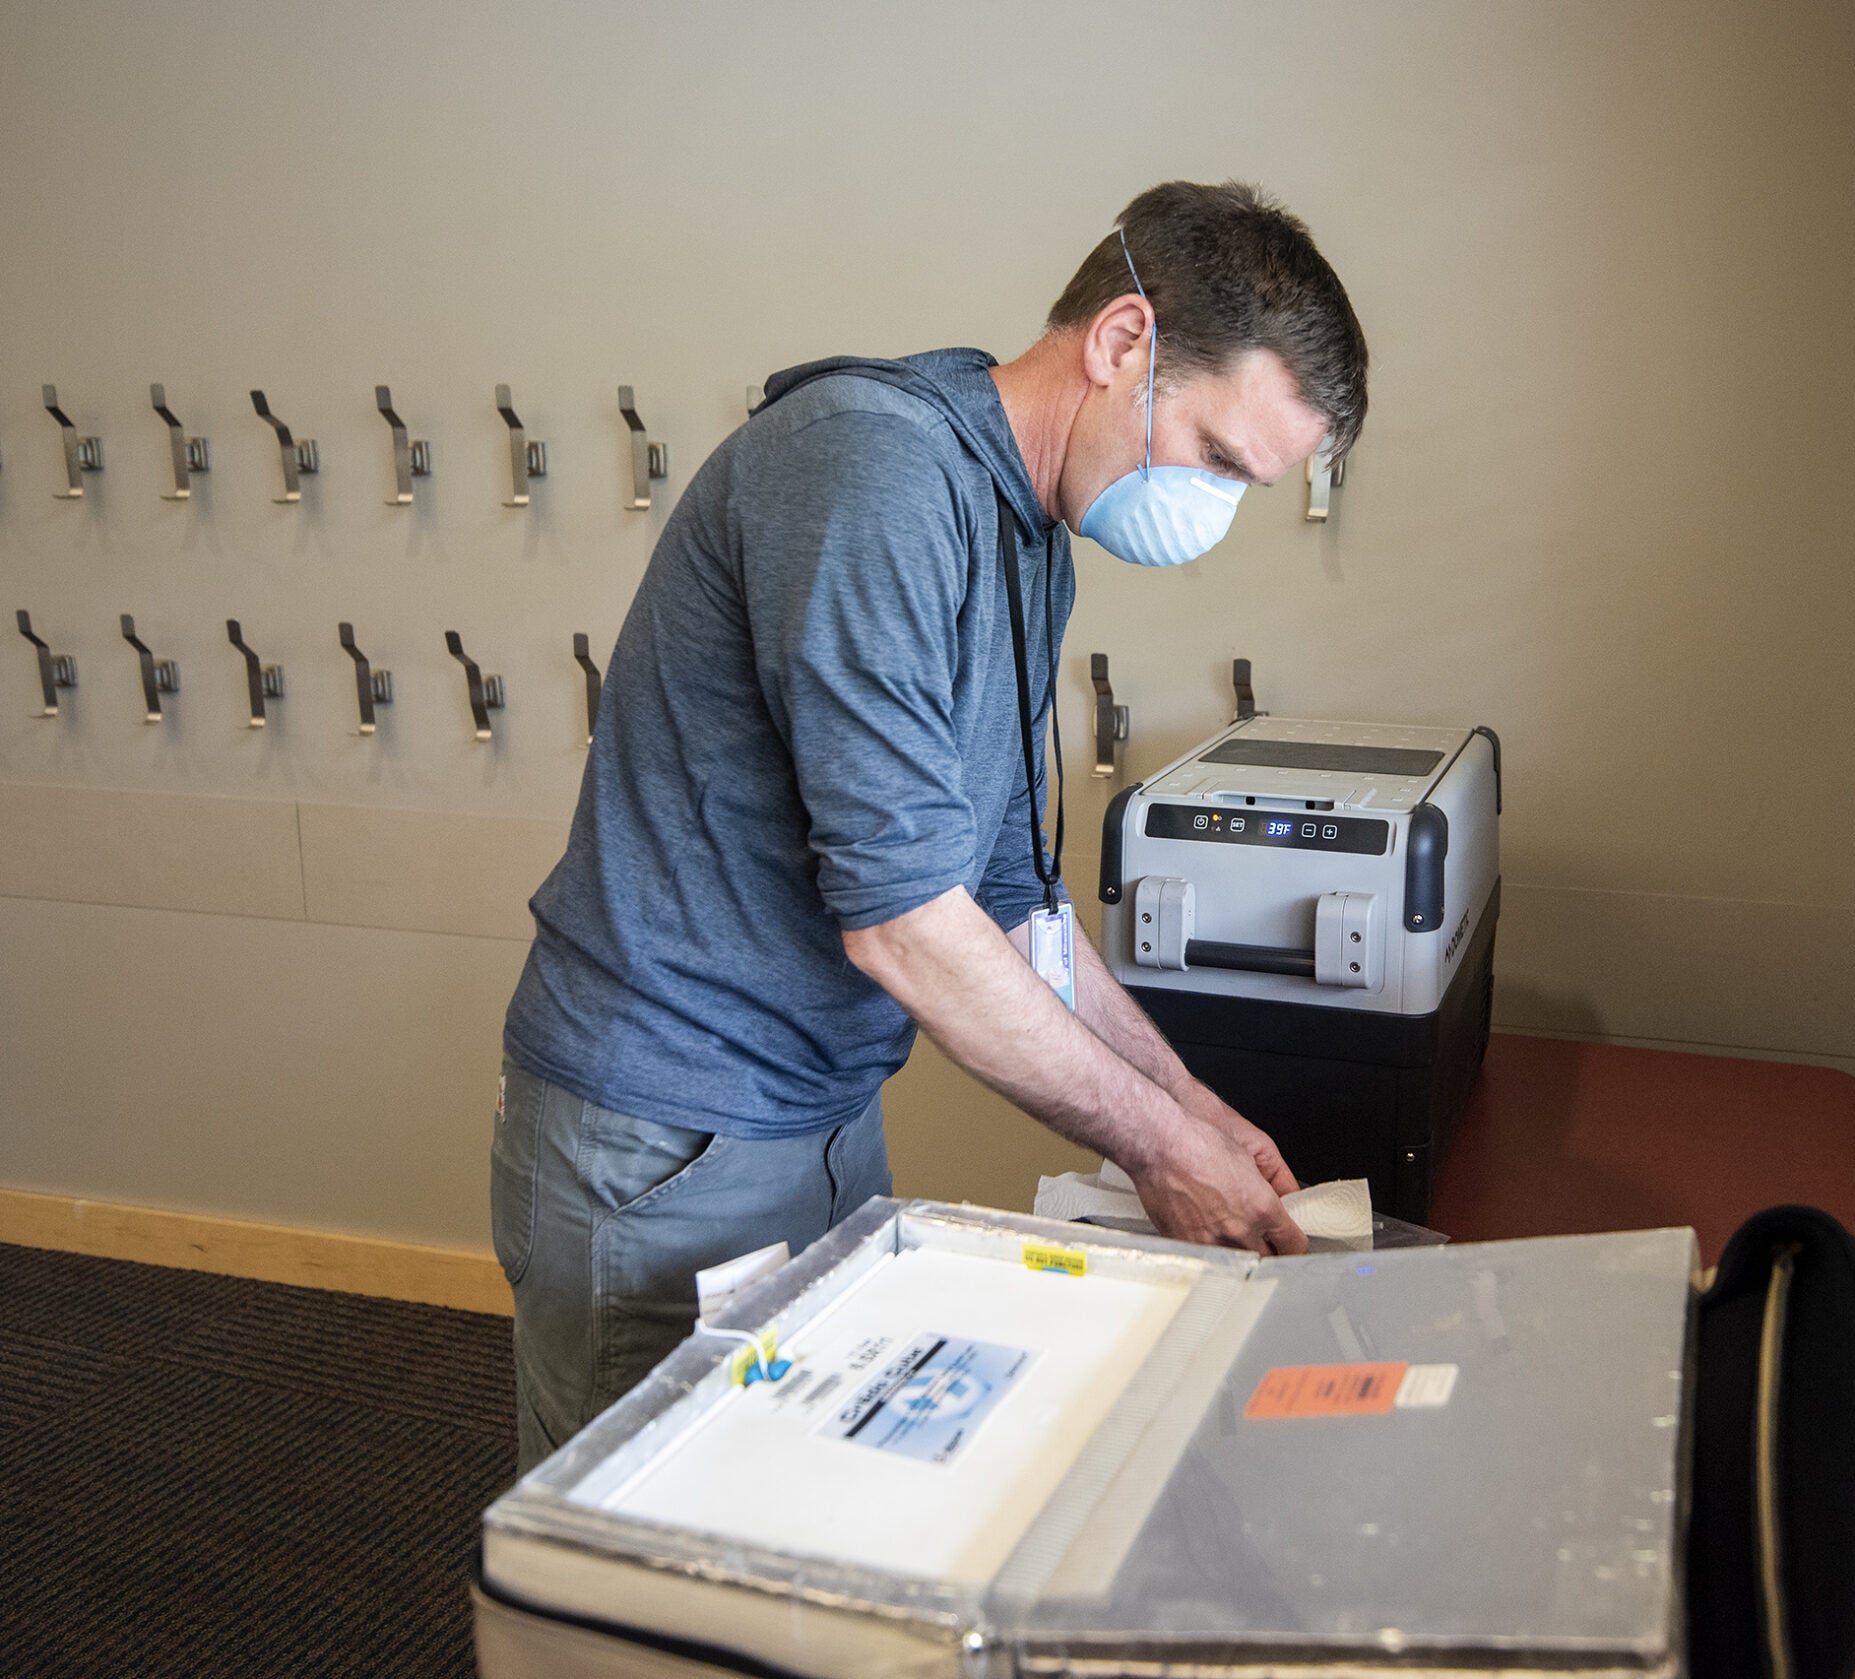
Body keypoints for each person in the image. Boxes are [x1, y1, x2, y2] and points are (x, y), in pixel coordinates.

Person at [489, 180, 1369, 1465]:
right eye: (1218, 458)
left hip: (825, 1108)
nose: (1213, 509)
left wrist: (1191, 1103)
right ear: (1123, 342)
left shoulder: (1028, 536)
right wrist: (1155, 1146)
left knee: (799, 1514)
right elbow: (903, 923)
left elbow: (1011, 901)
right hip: (667, 1128)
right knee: (639, 1565)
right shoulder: (871, 468)